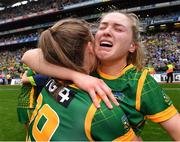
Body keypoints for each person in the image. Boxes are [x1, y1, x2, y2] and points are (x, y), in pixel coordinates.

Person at [22, 12, 180, 140]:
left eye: (118, 29)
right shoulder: (84, 64)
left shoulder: (140, 83)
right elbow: (28, 56)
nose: (107, 31)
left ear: (132, 46)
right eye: (102, 27)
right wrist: (77, 75)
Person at [26, 18, 137, 141]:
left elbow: (27, 56)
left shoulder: (54, 77)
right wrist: (77, 75)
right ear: (90, 47)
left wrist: (75, 75)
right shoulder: (101, 110)